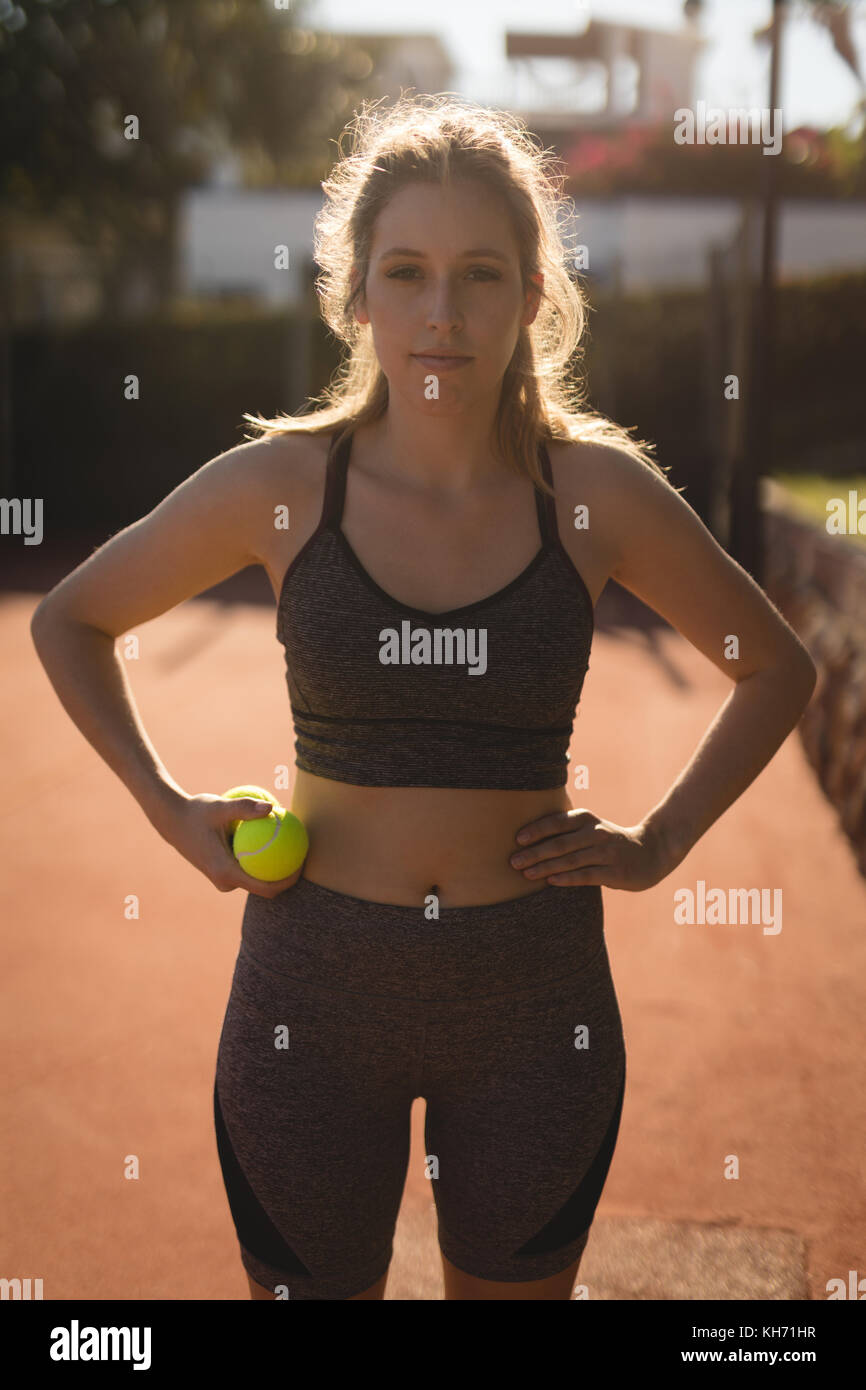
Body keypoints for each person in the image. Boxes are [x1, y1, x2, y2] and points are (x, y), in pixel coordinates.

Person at [30, 94, 817, 1302]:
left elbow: (775, 667)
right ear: (354, 295)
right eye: (405, 272)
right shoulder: (282, 487)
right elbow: (70, 619)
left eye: (480, 275)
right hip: (307, 1002)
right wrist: (164, 806)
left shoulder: (593, 494)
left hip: (532, 1007)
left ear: (532, 295)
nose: (442, 314)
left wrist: (659, 842)